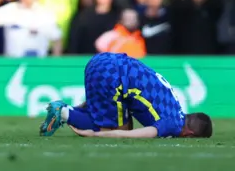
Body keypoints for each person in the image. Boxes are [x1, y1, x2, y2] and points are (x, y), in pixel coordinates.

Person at [39, 52, 213, 139]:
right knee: (117, 128)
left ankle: (68, 111)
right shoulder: (175, 124)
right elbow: (144, 133)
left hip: (102, 60)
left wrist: (85, 106)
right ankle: (63, 112)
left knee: (120, 119)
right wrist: (98, 134)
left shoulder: (173, 102)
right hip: (114, 75)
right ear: (189, 133)